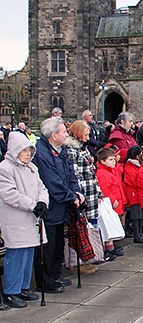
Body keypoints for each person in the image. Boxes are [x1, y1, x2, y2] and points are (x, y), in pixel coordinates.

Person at [33, 117, 85, 293]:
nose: (66, 134)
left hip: (62, 205)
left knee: (58, 243)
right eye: (63, 131)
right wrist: (69, 196)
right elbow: (51, 181)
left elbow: (70, 174)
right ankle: (46, 280)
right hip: (51, 206)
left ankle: (55, 275)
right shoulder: (42, 153)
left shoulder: (61, 150)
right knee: (48, 246)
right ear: (54, 135)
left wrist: (76, 192)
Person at [0, 133, 49, 308]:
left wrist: (43, 201)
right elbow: (9, 194)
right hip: (16, 218)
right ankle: (11, 291)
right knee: (16, 255)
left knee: (28, 253)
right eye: (24, 150)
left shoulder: (31, 168)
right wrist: (32, 205)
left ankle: (23, 287)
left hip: (31, 218)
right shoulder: (5, 168)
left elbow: (41, 187)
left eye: (29, 150)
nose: (28, 153)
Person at [66, 120, 121, 261]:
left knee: (95, 223)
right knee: (88, 225)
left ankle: (99, 250)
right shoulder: (72, 151)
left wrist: (99, 193)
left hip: (92, 192)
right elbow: (75, 175)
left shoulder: (82, 149)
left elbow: (91, 173)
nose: (88, 136)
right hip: (85, 194)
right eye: (86, 134)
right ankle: (93, 252)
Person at [123, 146, 143, 243]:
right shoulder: (130, 167)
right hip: (134, 194)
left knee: (140, 214)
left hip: (138, 193)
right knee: (136, 215)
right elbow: (135, 181)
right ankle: (137, 235)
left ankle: (139, 233)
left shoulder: (135, 166)